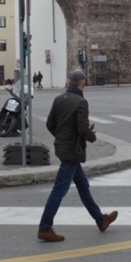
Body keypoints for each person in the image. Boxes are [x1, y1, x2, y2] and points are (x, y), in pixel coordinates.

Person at [38, 69, 117, 243]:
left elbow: (50, 124)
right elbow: (81, 128)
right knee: (59, 189)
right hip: (72, 151)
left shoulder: (59, 99)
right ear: (83, 84)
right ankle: (44, 228)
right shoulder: (81, 102)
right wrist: (91, 136)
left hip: (63, 147)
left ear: (69, 83)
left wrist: (61, 137)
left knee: (82, 185)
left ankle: (100, 220)